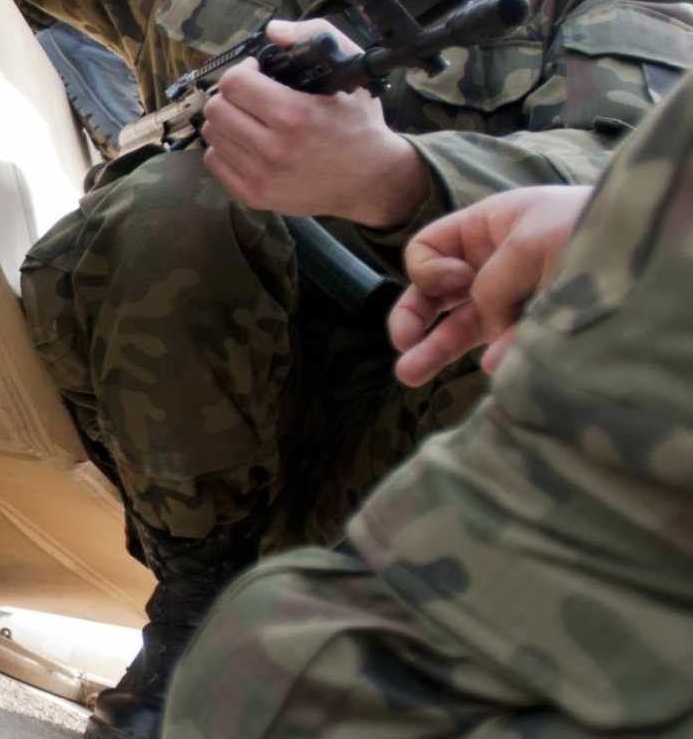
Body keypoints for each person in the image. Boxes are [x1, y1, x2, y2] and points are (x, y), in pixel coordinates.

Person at [0, 0, 693, 736]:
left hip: (445, 459)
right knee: (181, 200)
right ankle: (191, 621)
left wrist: (396, 182)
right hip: (190, 438)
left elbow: (647, 203)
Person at [165, 58, 693, 736]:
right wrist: (601, 222)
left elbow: (615, 137)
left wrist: (400, 176)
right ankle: (190, 597)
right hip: (341, 472)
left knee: (291, 672)